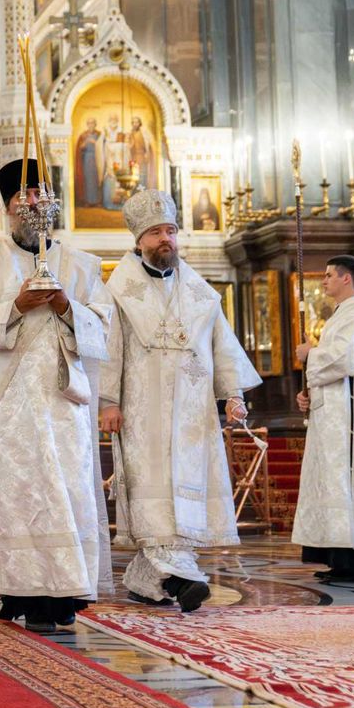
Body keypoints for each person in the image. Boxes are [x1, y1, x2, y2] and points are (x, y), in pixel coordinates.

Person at [0, 158, 113, 634]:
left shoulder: (81, 265)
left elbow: (104, 329)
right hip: (10, 402)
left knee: (67, 491)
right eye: (23, 196)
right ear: (8, 207)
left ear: (52, 202)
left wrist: (65, 305)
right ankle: (22, 590)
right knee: (18, 495)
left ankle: (67, 591)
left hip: (65, 403)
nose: (32, 203)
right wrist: (15, 306)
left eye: (40, 194)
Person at [98, 190, 260, 611]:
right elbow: (109, 348)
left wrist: (233, 394)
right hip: (141, 410)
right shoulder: (118, 291)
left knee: (184, 492)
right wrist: (107, 401)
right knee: (151, 489)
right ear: (139, 241)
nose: (165, 239)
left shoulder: (201, 292)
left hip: (192, 414)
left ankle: (147, 579)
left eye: (170, 230)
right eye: (155, 233)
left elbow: (221, 344)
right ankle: (186, 577)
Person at [292, 255, 354, 583]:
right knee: (335, 487)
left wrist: (311, 355)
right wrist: (309, 396)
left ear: (346, 279)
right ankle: (340, 559)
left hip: (353, 424)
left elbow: (345, 360)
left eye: (328, 275)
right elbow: (333, 372)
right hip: (335, 417)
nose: (323, 281)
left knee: (351, 485)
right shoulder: (341, 316)